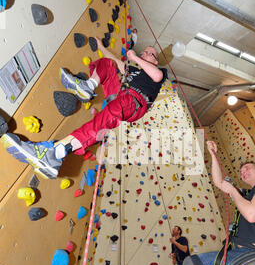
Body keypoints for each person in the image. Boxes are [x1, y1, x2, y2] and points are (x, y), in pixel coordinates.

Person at [0, 39, 168, 179]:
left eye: (149, 53)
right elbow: (114, 60)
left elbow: (157, 76)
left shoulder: (158, 73)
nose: (144, 54)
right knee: (108, 64)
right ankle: (88, 86)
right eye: (144, 52)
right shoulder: (134, 71)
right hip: (120, 96)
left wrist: (135, 58)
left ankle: (53, 154)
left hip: (134, 101)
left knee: (102, 120)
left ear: (155, 61)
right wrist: (102, 47)